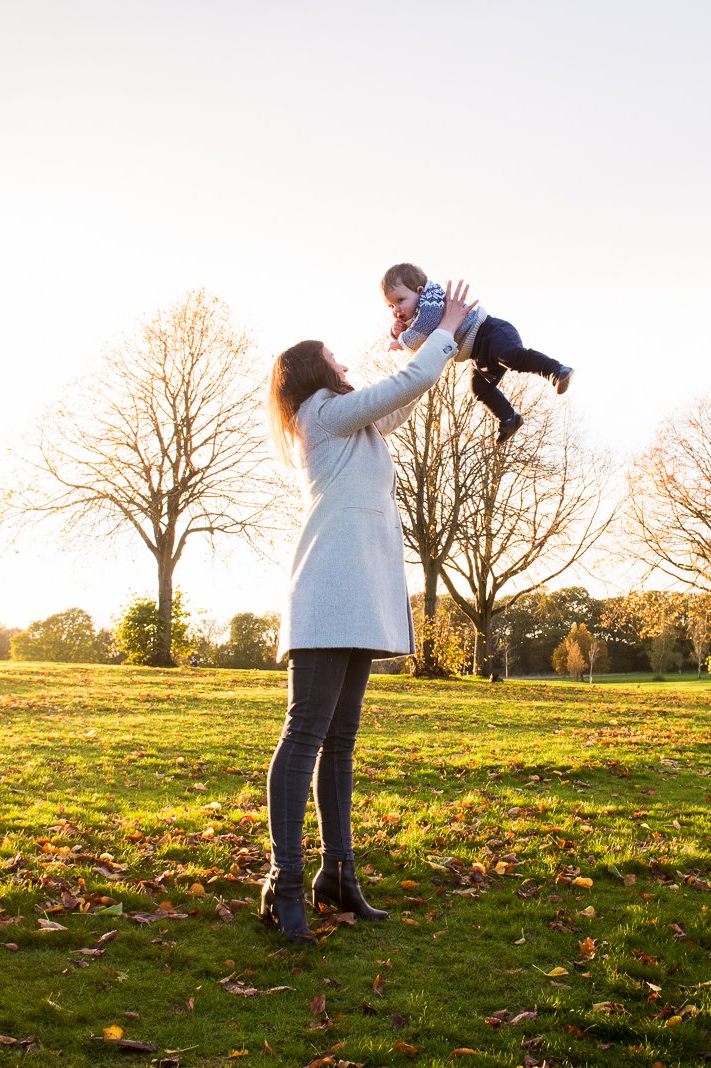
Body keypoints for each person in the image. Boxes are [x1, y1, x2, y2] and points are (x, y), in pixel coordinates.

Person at [260, 280, 476, 944]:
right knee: (304, 739)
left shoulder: (354, 422)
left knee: (341, 744)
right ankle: (284, 881)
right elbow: (394, 387)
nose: (348, 366)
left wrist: (435, 342)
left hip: (360, 595)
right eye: (337, 358)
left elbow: (403, 393)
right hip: (327, 593)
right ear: (314, 373)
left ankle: (339, 876)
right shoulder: (320, 413)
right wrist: (444, 331)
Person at [381, 263, 571, 444]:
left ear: (419, 291)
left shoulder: (430, 302)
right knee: (479, 389)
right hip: (478, 354)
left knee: (510, 357)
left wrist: (401, 340)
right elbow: (421, 334)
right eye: (390, 306)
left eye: (400, 300)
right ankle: (509, 418)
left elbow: (424, 328)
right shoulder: (416, 314)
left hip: (490, 333)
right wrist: (398, 330)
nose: (396, 309)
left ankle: (555, 371)